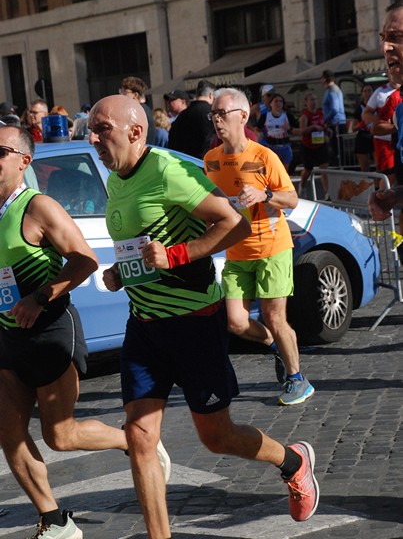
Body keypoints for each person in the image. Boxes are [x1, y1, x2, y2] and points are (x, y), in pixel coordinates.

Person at [87, 94, 319, 539]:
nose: (93, 137)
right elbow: (139, 244)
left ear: (136, 132)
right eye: (91, 130)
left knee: (217, 436)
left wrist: (176, 255)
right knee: (139, 438)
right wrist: (121, 272)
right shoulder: (117, 177)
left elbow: (233, 222)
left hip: (195, 322)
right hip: (145, 325)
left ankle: (293, 461)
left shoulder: (170, 171)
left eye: (102, 129)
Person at [0, 124, 170, 539]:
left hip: (49, 330)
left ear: (23, 161)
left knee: (60, 435)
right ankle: (55, 520)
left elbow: (85, 261)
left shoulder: (38, 207)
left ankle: (132, 441)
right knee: (8, 432)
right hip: (7, 336)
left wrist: (39, 297)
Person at [204, 87, 314, 406]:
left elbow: (291, 199)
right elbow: (212, 203)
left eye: (221, 114)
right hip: (236, 251)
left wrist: (265, 195)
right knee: (236, 321)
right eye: (213, 115)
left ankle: (297, 379)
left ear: (243, 116)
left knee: (274, 317)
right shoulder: (211, 160)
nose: (216, 120)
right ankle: (276, 347)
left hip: (272, 247)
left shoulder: (265, 156)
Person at [369, 0, 403, 223]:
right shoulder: (399, 111)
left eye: (396, 37)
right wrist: (393, 195)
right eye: (383, 38)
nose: (385, 47)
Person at [362, 72, 399, 187]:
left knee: (397, 174)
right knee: (389, 174)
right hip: (383, 139)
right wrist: (377, 120)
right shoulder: (380, 92)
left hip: (399, 138)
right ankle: (380, 198)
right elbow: (366, 113)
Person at [168, 79, 216, 158]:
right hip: (206, 161)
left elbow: (173, 142)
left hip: (184, 161)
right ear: (211, 95)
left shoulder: (182, 115)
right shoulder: (212, 113)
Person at [298, 92, 329, 199]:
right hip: (308, 146)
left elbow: (323, 125)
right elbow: (302, 131)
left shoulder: (320, 113)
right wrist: (313, 127)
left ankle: (327, 193)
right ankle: (302, 185)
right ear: (306, 102)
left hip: (320, 144)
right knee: (308, 170)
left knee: (324, 169)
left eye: (315, 99)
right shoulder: (305, 116)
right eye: (311, 100)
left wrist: (326, 128)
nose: (314, 102)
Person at [256, 93, 298, 171]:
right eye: (276, 101)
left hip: (285, 147)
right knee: (272, 171)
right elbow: (256, 128)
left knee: (284, 172)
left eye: (280, 101)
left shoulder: (288, 116)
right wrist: (258, 134)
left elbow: (300, 131)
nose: (278, 103)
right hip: (271, 147)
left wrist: (289, 129)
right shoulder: (265, 116)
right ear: (270, 104)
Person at [119, 76, 156, 144]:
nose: (121, 94)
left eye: (124, 92)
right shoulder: (143, 109)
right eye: (120, 91)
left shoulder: (139, 111)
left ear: (135, 95)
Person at [321, 70, 347, 165]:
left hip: (336, 124)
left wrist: (325, 120)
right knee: (337, 149)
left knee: (337, 150)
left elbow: (335, 109)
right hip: (336, 123)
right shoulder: (332, 89)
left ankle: (340, 168)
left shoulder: (332, 90)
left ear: (325, 78)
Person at [352, 85, 374, 172]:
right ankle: (367, 184)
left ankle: (377, 185)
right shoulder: (359, 108)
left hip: (375, 135)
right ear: (362, 94)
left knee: (379, 165)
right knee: (364, 166)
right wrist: (360, 125)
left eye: (369, 90)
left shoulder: (377, 106)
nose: (367, 93)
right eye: (365, 91)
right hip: (363, 137)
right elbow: (353, 128)